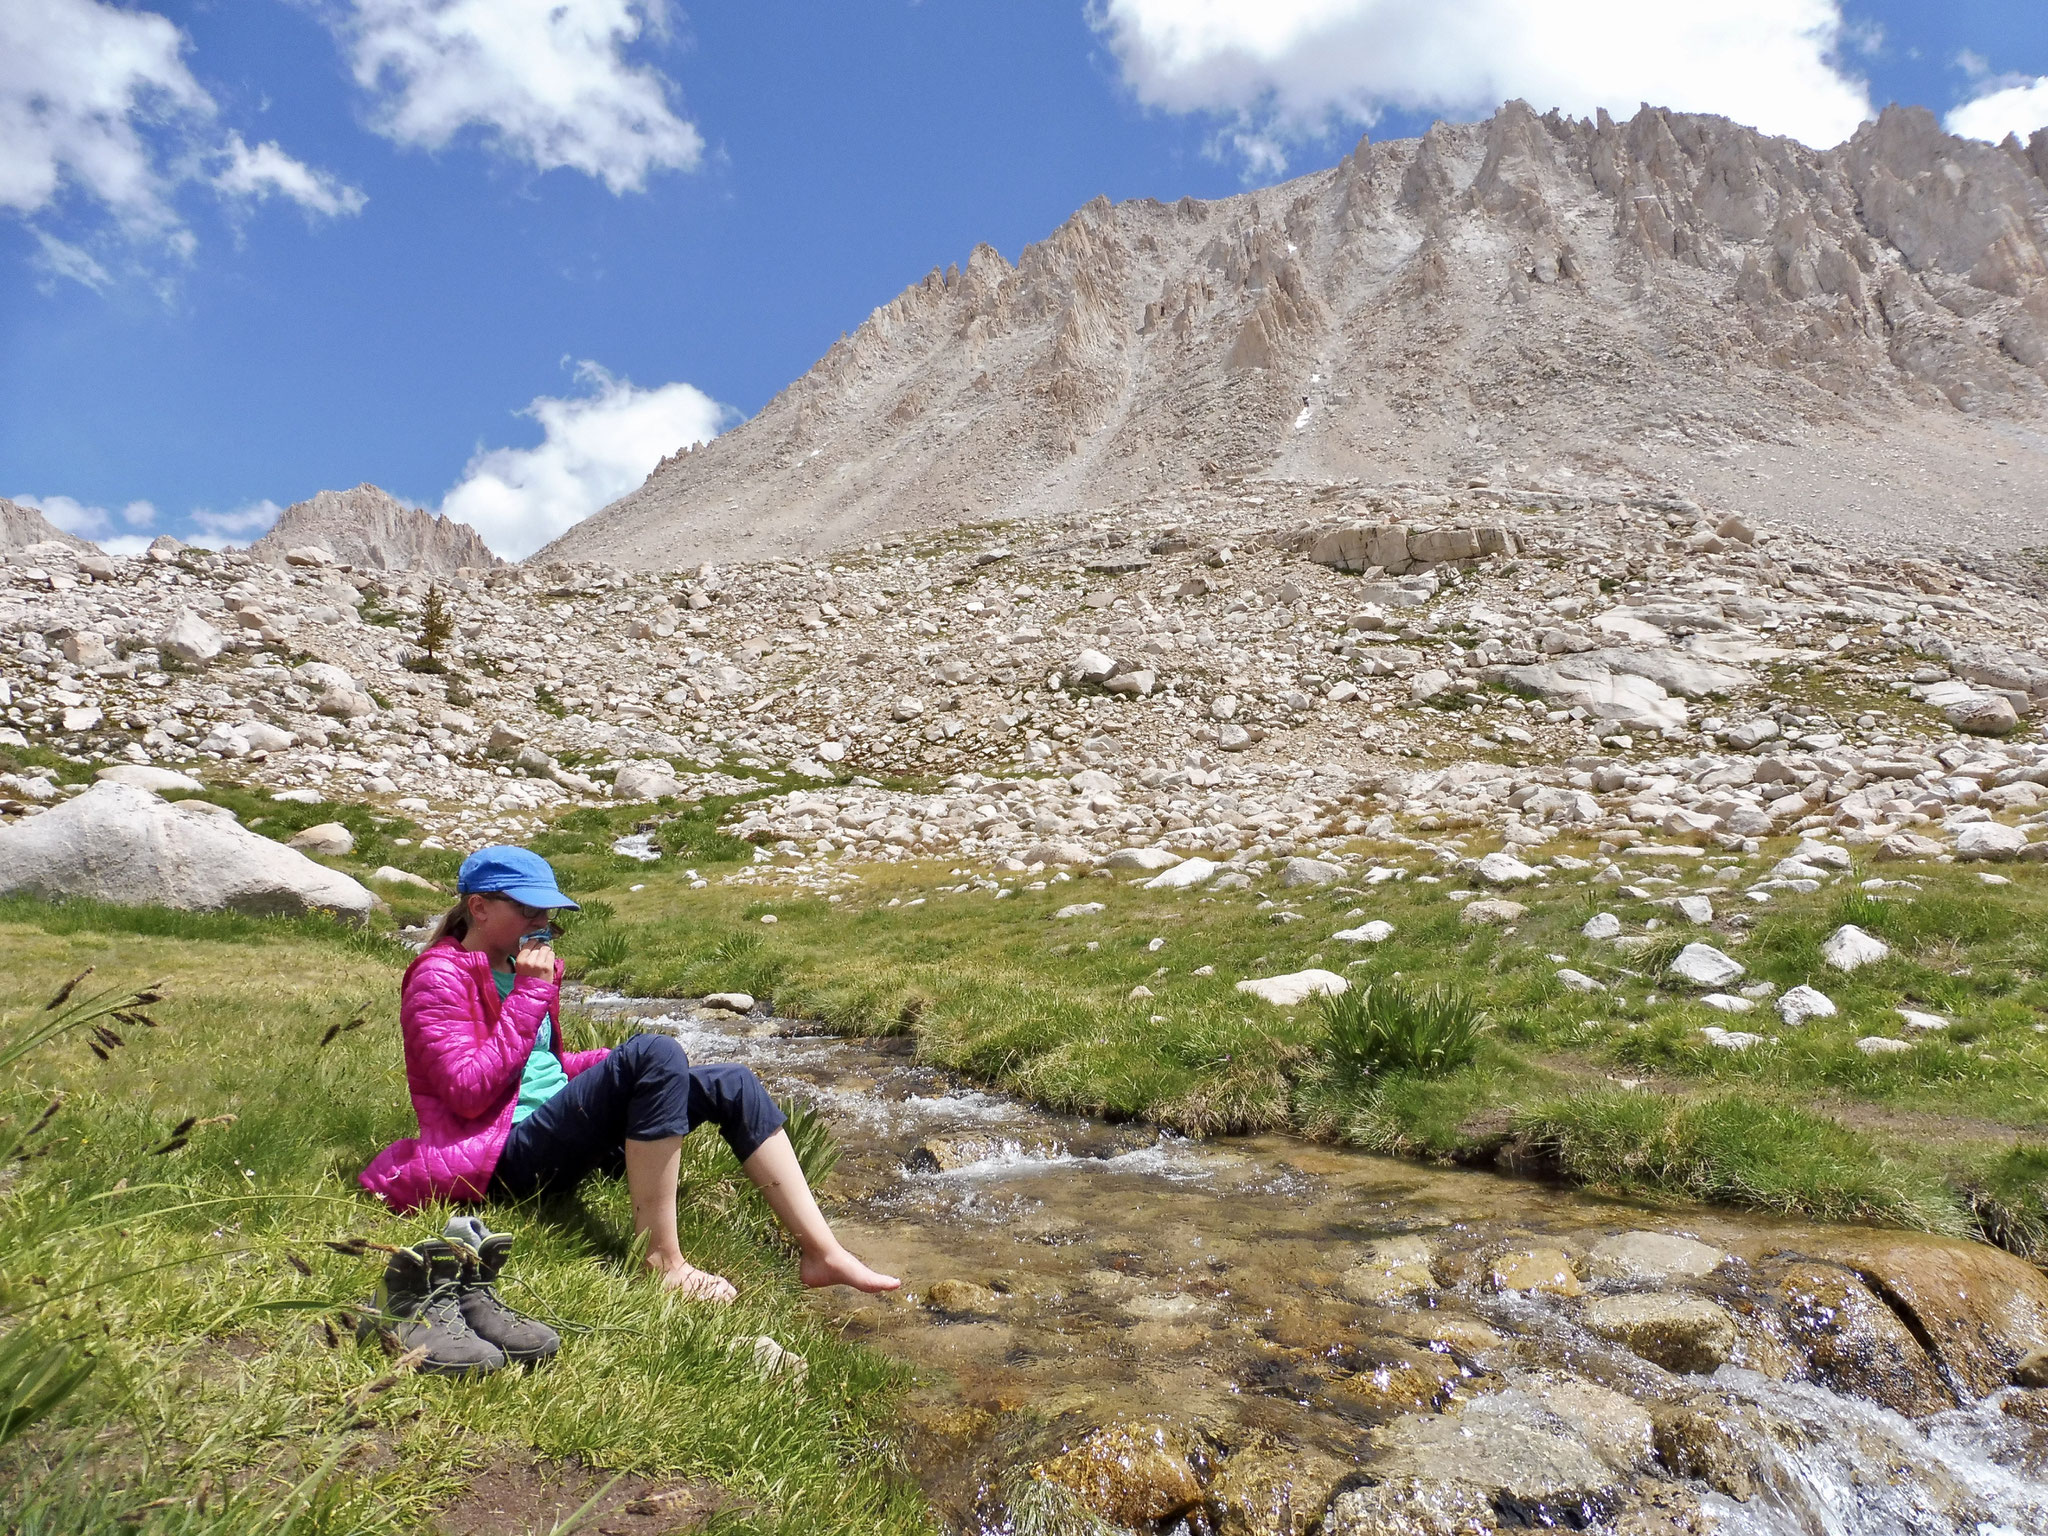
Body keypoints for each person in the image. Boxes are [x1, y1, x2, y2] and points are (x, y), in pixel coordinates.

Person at [360, 845, 899, 1301]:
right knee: (656, 1053)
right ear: (478, 907)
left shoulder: (519, 968)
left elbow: (540, 1066)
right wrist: (530, 996)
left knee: (730, 1080)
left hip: (541, 1130)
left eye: (549, 912)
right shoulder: (439, 977)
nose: (543, 923)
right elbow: (468, 1093)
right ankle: (662, 1263)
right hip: (497, 1156)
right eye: (529, 910)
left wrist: (612, 1067)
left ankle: (822, 1253)